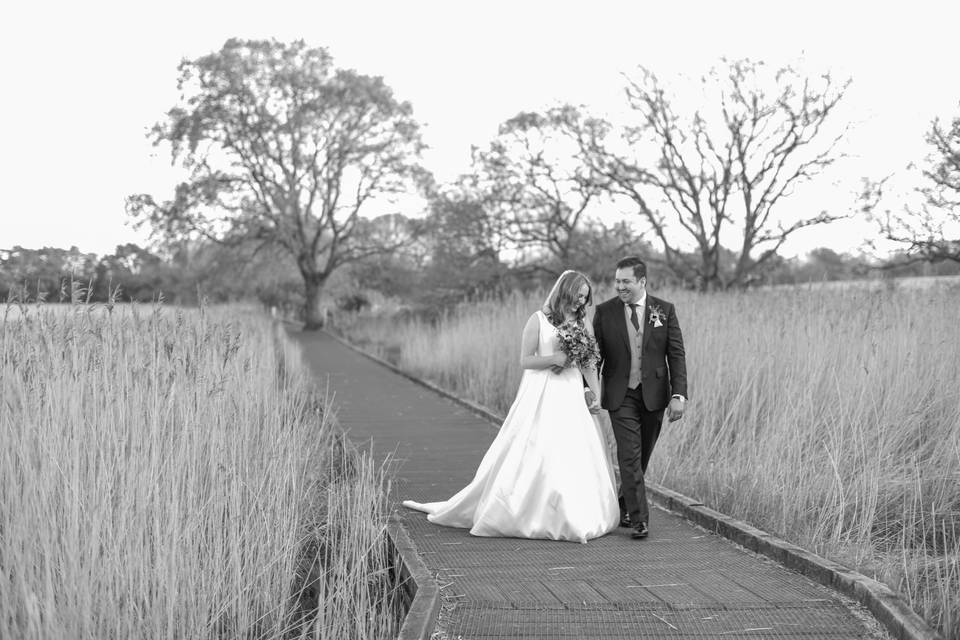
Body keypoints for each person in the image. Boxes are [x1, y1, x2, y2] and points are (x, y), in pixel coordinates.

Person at [402, 270, 618, 543]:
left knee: (571, 450)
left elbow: (588, 363)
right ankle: (527, 512)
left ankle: (572, 513)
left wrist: (596, 396)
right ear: (565, 291)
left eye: (585, 298)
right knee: (538, 448)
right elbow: (526, 361)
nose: (581, 301)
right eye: (578, 295)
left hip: (571, 394)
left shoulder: (582, 323)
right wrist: (555, 357)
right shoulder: (538, 320)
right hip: (543, 392)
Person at [593, 256, 687, 540]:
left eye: (626, 282)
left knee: (642, 455)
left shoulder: (664, 310)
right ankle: (639, 520)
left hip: (654, 396)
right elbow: (595, 358)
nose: (619, 286)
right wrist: (588, 389)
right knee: (629, 455)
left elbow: (676, 355)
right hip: (620, 395)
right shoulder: (604, 312)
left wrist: (678, 394)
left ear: (642, 281)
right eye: (617, 281)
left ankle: (624, 504)